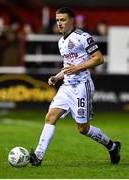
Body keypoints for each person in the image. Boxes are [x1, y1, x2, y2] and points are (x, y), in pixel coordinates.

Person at [29, 7, 121, 166]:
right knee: (50, 117)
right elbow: (68, 66)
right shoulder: (61, 41)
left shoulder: (83, 37)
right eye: (57, 20)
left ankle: (112, 146)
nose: (59, 23)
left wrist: (78, 68)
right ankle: (38, 156)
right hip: (66, 87)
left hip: (81, 87)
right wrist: (57, 77)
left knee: (83, 129)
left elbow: (99, 59)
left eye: (63, 20)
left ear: (71, 21)